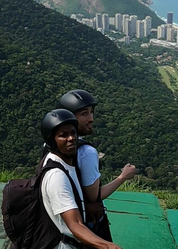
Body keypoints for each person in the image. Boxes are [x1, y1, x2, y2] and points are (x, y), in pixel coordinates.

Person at [58, 90, 136, 240]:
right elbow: (95, 196)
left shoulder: (51, 144)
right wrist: (123, 177)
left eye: (91, 112)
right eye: (84, 114)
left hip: (59, 222)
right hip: (85, 226)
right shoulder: (87, 152)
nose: (91, 118)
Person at [40, 108, 122, 249]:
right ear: (52, 140)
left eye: (73, 132)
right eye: (63, 135)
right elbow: (75, 224)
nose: (71, 138)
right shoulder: (57, 175)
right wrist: (108, 246)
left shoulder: (64, 165)